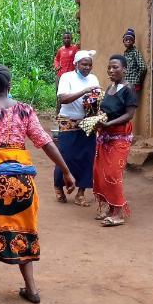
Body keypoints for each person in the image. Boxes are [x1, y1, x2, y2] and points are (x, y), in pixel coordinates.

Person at [0, 65, 75, 304]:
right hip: (23, 182)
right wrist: (66, 171)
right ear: (10, 86)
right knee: (25, 228)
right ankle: (32, 289)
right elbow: (45, 142)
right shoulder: (25, 110)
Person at [92, 55, 137, 227]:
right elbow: (105, 111)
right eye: (109, 67)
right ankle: (109, 208)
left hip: (119, 137)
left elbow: (129, 114)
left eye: (115, 67)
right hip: (104, 137)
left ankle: (118, 212)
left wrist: (109, 123)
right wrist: (97, 121)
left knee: (113, 173)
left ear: (124, 69)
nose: (111, 70)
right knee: (100, 172)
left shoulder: (128, 89)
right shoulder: (110, 88)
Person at [53, 49, 101, 206]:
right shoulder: (67, 77)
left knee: (87, 157)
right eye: (84, 64)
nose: (87, 67)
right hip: (68, 120)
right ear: (76, 64)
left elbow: (97, 98)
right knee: (66, 155)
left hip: (87, 122)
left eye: (89, 65)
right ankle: (59, 186)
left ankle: (81, 192)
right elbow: (63, 99)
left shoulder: (93, 78)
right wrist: (84, 92)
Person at [122, 28, 147, 95]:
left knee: (130, 103)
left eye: (130, 40)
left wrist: (137, 78)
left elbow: (143, 67)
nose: (128, 41)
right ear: (123, 42)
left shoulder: (135, 52)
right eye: (126, 40)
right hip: (125, 83)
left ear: (133, 42)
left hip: (133, 84)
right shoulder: (125, 53)